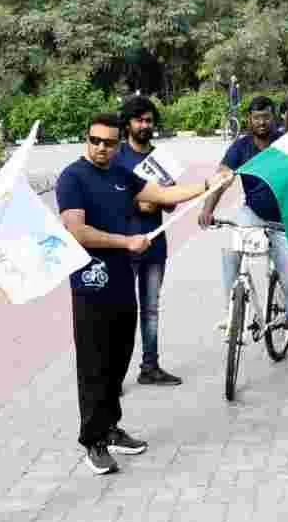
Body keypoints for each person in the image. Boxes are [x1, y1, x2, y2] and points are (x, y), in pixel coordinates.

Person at [58, 114, 226, 476]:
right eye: (95, 140)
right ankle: (93, 440)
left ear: (119, 143)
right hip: (90, 285)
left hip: (121, 281)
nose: (102, 148)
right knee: (94, 367)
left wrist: (208, 185)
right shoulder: (72, 177)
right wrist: (125, 241)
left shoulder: (121, 174)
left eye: (109, 142)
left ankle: (111, 427)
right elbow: (77, 231)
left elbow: (163, 194)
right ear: (86, 139)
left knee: (119, 360)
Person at [200, 97, 288, 379]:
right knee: (231, 246)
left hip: (285, 220)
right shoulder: (241, 146)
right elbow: (223, 177)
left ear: (273, 118)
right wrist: (207, 208)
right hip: (253, 213)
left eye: (266, 117)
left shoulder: (284, 143)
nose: (261, 122)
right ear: (249, 119)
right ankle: (234, 311)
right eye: (256, 117)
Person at [111, 97, 182, 387]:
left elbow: (172, 203)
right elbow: (108, 199)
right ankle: (113, 377)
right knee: (121, 310)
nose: (145, 125)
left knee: (150, 309)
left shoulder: (161, 159)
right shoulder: (117, 157)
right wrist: (136, 204)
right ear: (128, 123)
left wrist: (159, 202)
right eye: (139, 120)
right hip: (124, 245)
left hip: (155, 245)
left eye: (149, 120)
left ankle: (149, 367)